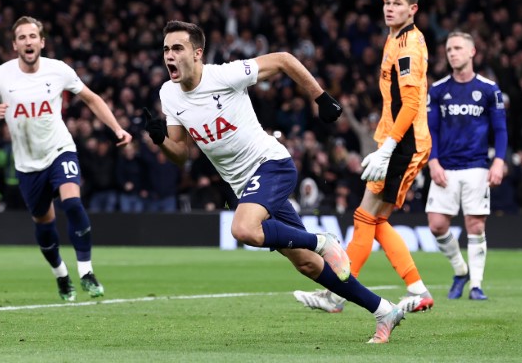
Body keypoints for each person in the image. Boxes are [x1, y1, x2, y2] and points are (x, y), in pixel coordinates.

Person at [143, 20, 404, 344]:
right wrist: (161, 141)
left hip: (271, 166)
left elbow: (282, 59)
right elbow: (181, 153)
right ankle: (384, 310)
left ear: (197, 54)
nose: (169, 55)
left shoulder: (224, 76)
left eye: (177, 48)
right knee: (308, 265)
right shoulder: (168, 93)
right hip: (246, 187)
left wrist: (320, 97)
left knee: (243, 229)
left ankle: (322, 241)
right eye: (166, 49)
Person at [294, 0, 434, 316]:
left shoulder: (409, 48)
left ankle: (337, 293)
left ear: (414, 11)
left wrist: (389, 149)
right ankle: (418, 289)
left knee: (364, 216)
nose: (388, 8)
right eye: (386, 3)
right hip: (396, 138)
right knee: (376, 220)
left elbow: (410, 104)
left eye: (397, 5)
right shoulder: (398, 29)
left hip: (405, 140)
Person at [0, 16, 132, 301]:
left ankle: (86, 271)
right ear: (15, 45)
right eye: (22, 37)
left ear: (42, 41)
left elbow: (92, 98)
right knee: (44, 225)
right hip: (27, 164)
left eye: (32, 36)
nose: (28, 41)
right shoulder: (1, 75)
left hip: (59, 149)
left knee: (72, 202)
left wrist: (117, 128)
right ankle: (61, 276)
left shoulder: (58, 70)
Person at [425, 31, 508, 300]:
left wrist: (499, 161)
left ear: (472, 52)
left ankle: (476, 285)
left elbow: (501, 130)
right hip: (445, 166)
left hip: (477, 166)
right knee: (437, 225)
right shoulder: (437, 90)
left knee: (476, 226)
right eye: (449, 49)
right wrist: (433, 161)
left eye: (458, 48)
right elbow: (431, 130)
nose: (452, 53)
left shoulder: (488, 88)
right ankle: (460, 270)